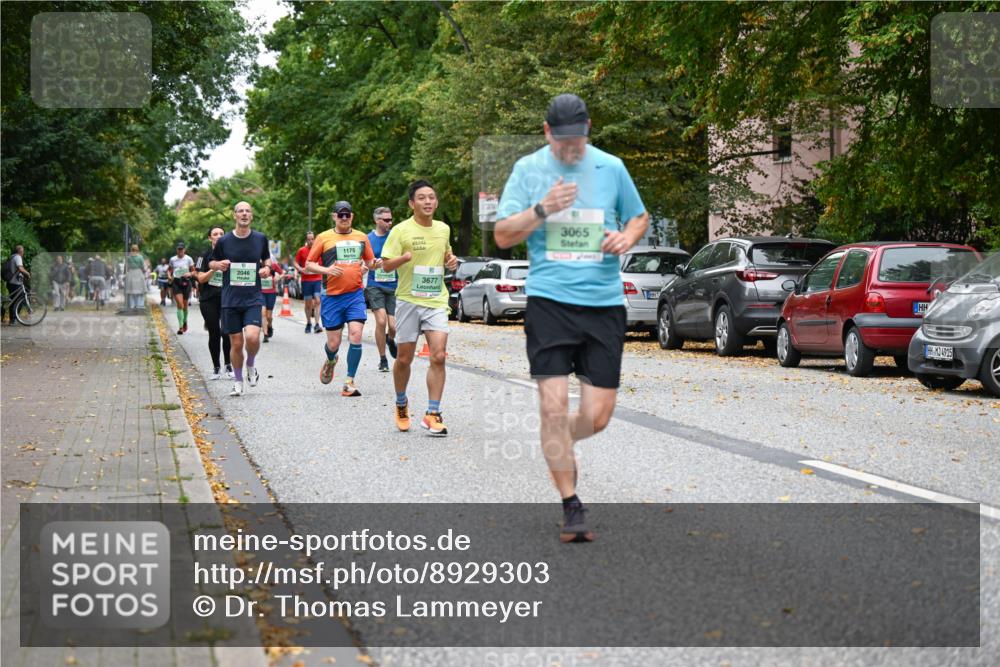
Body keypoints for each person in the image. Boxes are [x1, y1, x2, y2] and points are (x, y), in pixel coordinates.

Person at [494, 93, 649, 543]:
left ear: (588, 130)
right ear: (547, 133)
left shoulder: (611, 167)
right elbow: (503, 236)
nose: (570, 149)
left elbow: (640, 217)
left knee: (598, 417)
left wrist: (625, 237)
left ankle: (559, 439)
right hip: (549, 301)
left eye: (577, 139)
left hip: (603, 303)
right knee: (552, 405)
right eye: (562, 141)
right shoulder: (527, 171)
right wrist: (542, 208)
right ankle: (571, 505)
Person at [379, 181, 458, 435]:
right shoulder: (401, 231)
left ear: (436, 202)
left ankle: (433, 413)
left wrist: (452, 262)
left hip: (435, 300)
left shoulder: (443, 229)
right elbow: (386, 265)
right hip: (408, 300)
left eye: (431, 197)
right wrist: (403, 258)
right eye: (422, 198)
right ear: (412, 204)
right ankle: (401, 402)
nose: (427, 202)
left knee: (438, 355)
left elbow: (447, 256)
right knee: (404, 358)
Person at [305, 201, 375, 397]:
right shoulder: (324, 237)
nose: (344, 218)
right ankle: (331, 360)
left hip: (354, 295)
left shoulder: (361, 237)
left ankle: (349, 381)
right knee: (333, 344)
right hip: (331, 296)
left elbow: (370, 262)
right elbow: (309, 264)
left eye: (348, 215)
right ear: (334, 216)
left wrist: (374, 265)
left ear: (352, 216)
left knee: (356, 334)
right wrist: (326, 270)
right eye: (340, 215)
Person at [210, 201, 272, 397]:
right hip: (230, 300)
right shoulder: (224, 241)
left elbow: (267, 260)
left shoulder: (260, 239)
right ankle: (238, 381)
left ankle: (251, 365)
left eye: (247, 211)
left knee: (253, 337)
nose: (244, 214)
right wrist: (217, 264)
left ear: (251, 216)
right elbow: (212, 262)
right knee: (236, 344)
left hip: (253, 297)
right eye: (240, 211)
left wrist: (266, 269)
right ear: (234, 215)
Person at [195, 225, 233, 380]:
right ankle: (216, 367)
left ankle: (228, 365)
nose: (218, 236)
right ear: (210, 238)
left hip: (227, 298)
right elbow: (200, 278)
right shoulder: (202, 256)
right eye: (215, 234)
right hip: (208, 299)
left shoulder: (231, 253)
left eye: (221, 234)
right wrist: (215, 268)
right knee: (214, 332)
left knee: (227, 332)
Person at [365, 206, 399, 372]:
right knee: (381, 321)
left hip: (393, 285)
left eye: (391, 219)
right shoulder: (368, 239)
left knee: (393, 326)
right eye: (386, 220)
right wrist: (372, 265)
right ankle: (383, 359)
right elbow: (364, 264)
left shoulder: (395, 236)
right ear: (377, 220)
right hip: (375, 285)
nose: (389, 223)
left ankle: (390, 340)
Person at [294, 231, 324, 334]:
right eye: (309, 239)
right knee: (308, 304)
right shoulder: (301, 251)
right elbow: (295, 262)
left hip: (317, 279)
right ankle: (308, 323)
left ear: (315, 239)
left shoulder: (319, 250)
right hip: (306, 280)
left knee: (317, 300)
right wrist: (300, 269)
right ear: (306, 240)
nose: (311, 241)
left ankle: (316, 324)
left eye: (312, 239)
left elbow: (324, 263)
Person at [169, 243, 195, 333]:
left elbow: (194, 271)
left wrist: (190, 274)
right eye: (178, 249)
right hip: (176, 282)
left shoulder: (188, 259)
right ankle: (180, 327)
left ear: (184, 250)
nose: (180, 251)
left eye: (181, 249)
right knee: (180, 304)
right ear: (177, 250)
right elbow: (169, 270)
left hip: (186, 282)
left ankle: (184, 321)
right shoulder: (173, 259)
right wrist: (169, 276)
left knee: (185, 306)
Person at [3, 245, 30, 324]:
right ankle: (14, 318)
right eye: (22, 251)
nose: (23, 252)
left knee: (13, 301)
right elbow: (20, 268)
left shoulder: (12, 257)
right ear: (19, 251)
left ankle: (12, 319)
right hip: (15, 283)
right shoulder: (18, 257)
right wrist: (27, 274)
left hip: (10, 282)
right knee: (19, 301)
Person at [260, 257, 285, 342]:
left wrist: (277, 278)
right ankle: (265, 334)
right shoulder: (258, 265)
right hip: (261, 293)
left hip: (271, 293)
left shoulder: (273, 266)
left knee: (269, 316)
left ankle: (269, 325)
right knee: (263, 313)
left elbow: (282, 273)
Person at [124, 244, 147, 310]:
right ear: (137, 249)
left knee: (131, 290)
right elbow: (142, 266)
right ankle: (139, 305)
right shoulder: (140, 257)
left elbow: (127, 267)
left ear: (131, 249)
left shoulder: (128, 257)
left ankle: (132, 305)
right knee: (140, 290)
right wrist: (144, 272)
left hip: (131, 273)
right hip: (138, 273)